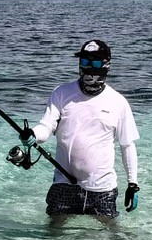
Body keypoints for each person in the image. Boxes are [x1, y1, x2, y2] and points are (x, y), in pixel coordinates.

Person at [19, 39, 140, 227]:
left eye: (96, 62)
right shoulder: (61, 93)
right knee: (53, 238)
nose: (89, 67)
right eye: (84, 62)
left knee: (113, 238)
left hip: (102, 189)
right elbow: (46, 126)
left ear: (107, 64)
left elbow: (127, 145)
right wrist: (32, 134)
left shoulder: (118, 102)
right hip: (64, 185)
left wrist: (133, 184)